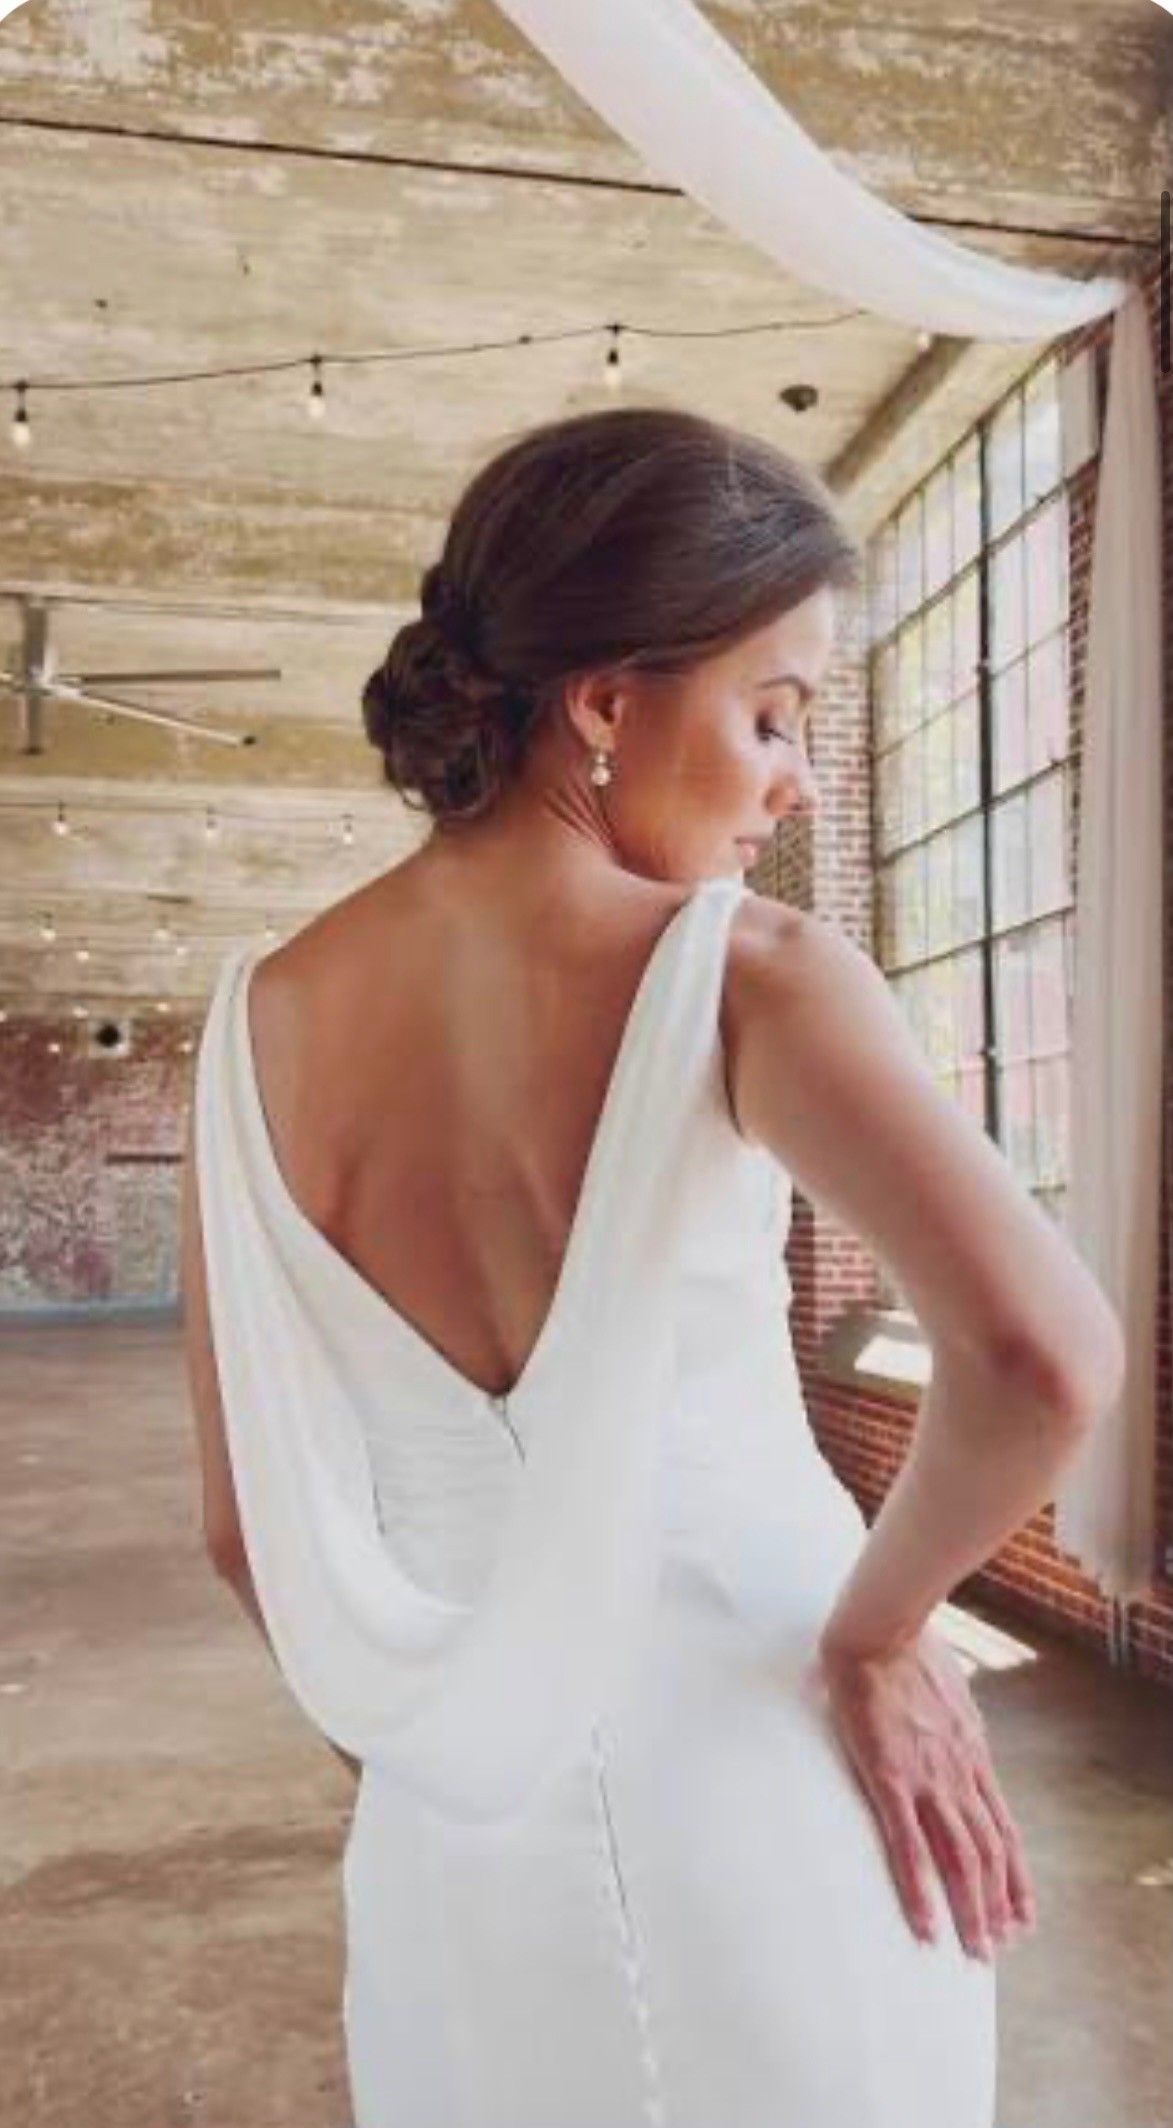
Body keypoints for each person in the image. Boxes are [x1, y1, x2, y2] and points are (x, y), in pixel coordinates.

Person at [180, 406, 1125, 2128]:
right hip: (771, 1784)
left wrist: (441, 1755)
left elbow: (249, 1532)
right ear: (604, 704)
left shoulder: (254, 1025)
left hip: (450, 1846)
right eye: (771, 716)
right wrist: (878, 1638)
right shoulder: (746, 972)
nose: (797, 778)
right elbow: (1040, 1357)